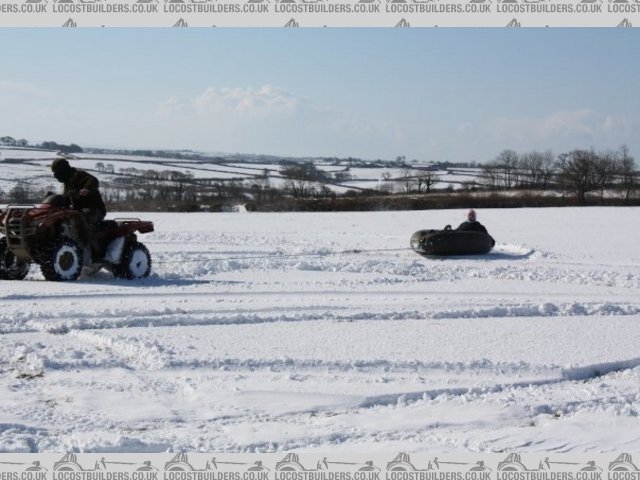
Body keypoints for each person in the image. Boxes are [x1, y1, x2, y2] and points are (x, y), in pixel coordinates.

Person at [51, 157, 106, 225]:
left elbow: (92, 180)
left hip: (94, 210)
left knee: (79, 219)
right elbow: (67, 198)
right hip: (78, 210)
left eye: (57, 172)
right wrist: (54, 198)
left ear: (63, 170)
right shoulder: (67, 184)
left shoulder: (78, 175)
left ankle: (86, 235)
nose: (56, 176)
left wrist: (87, 189)